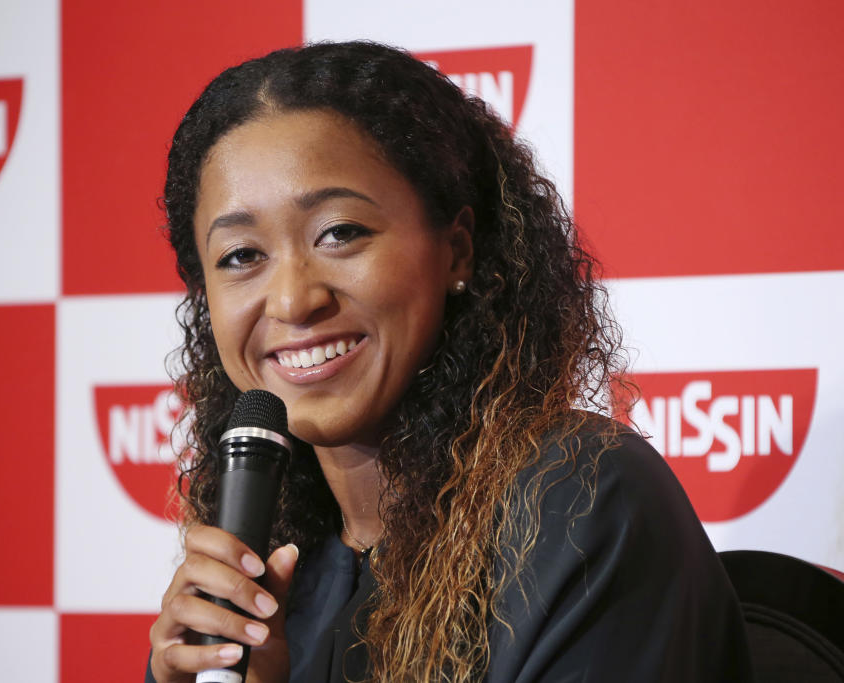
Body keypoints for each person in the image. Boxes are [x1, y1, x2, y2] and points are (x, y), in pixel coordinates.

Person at [146, 41, 753, 682]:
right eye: (241, 255)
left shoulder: (580, 504)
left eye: (340, 233)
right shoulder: (271, 571)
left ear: (457, 250)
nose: (294, 299)